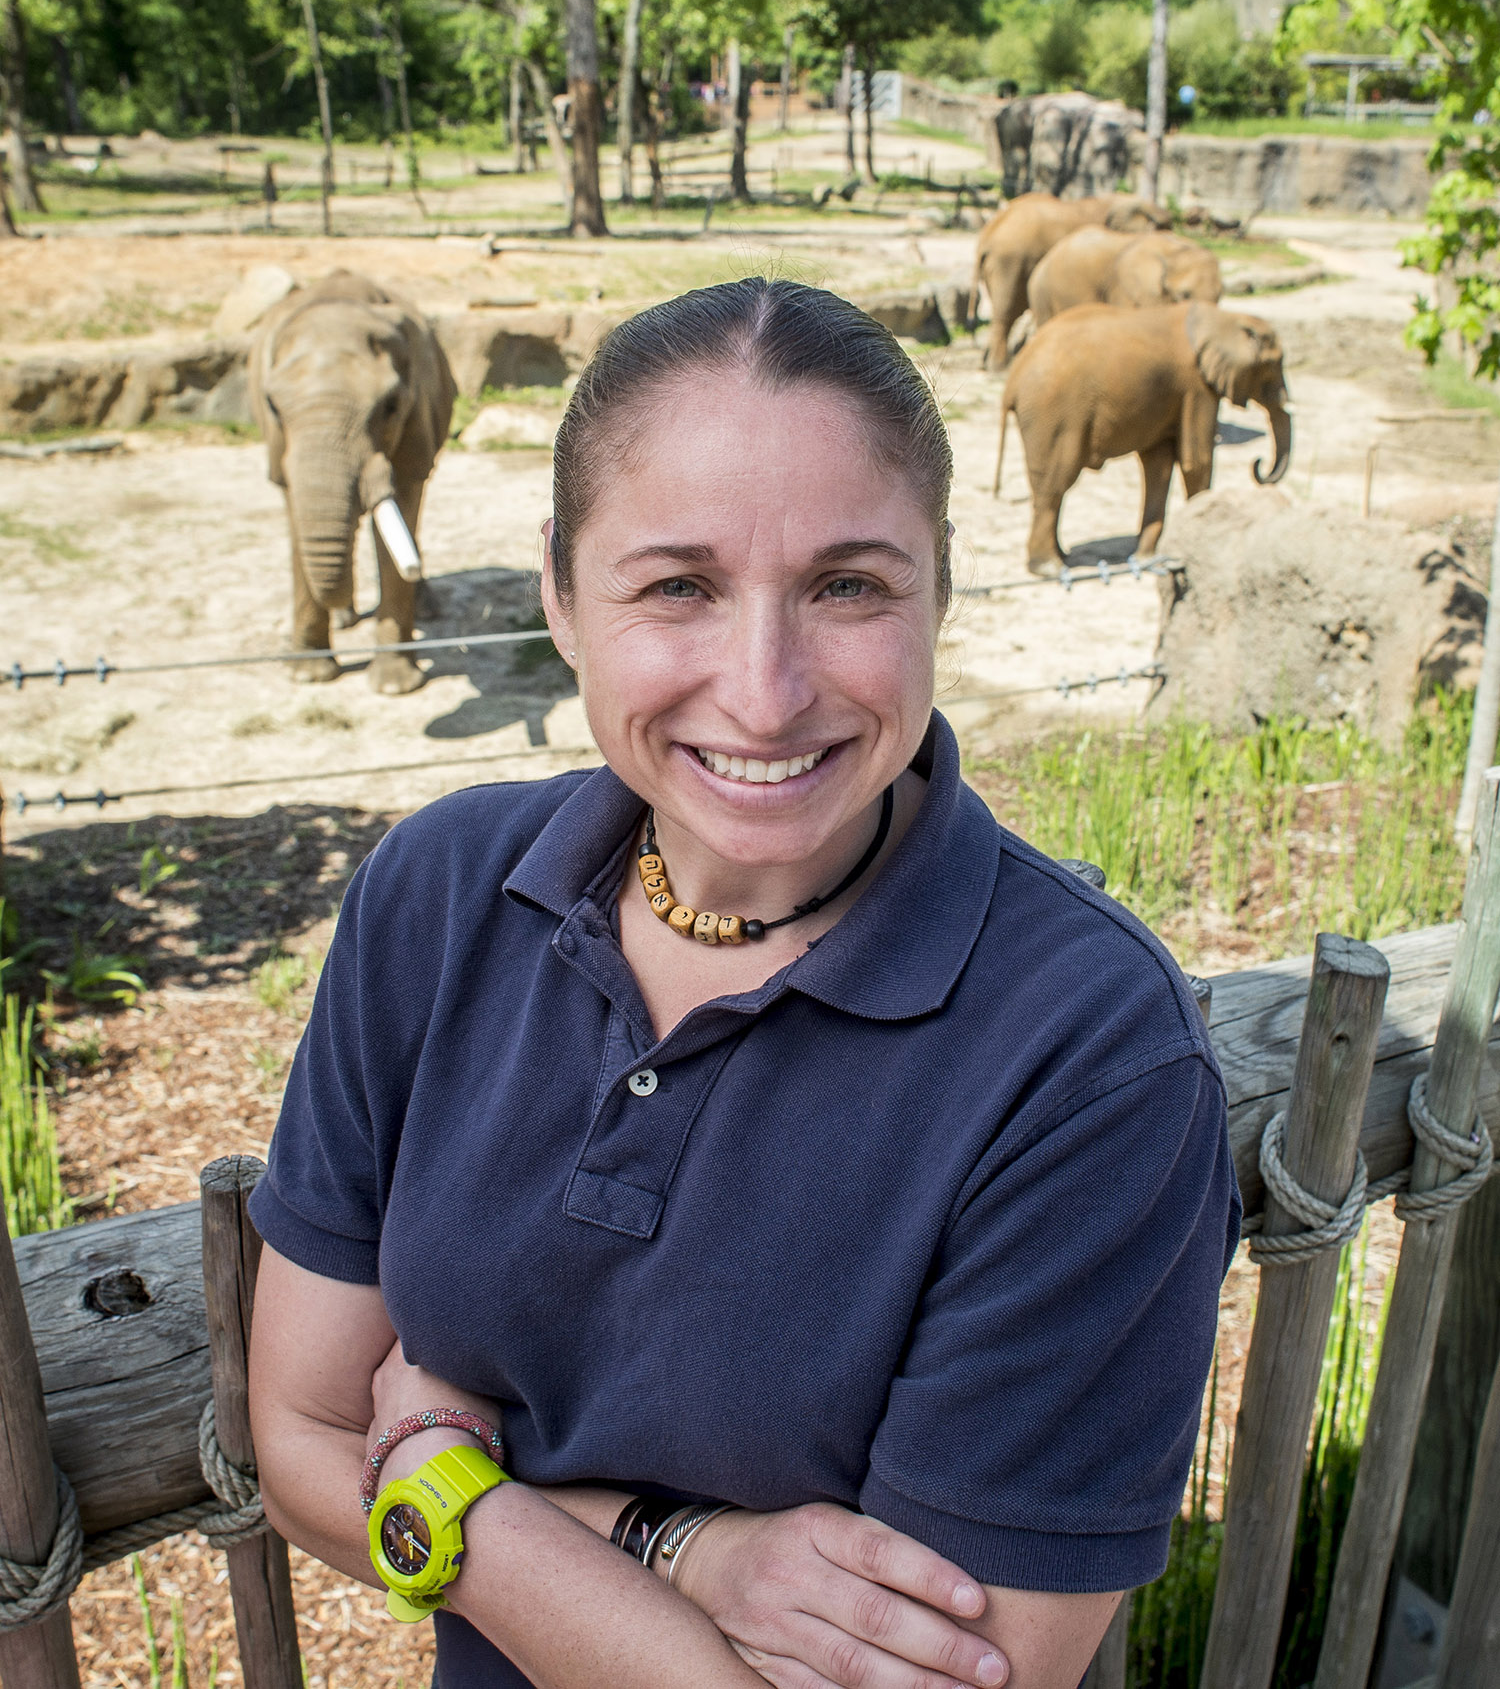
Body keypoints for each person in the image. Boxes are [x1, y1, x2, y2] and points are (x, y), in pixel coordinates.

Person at [247, 277, 1240, 1689]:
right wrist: (684, 1551)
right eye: (678, 586)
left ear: (940, 587)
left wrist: (444, 1482)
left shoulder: (1089, 1059)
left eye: (847, 584)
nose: (765, 692)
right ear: (560, 594)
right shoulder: (440, 895)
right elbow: (294, 1436)